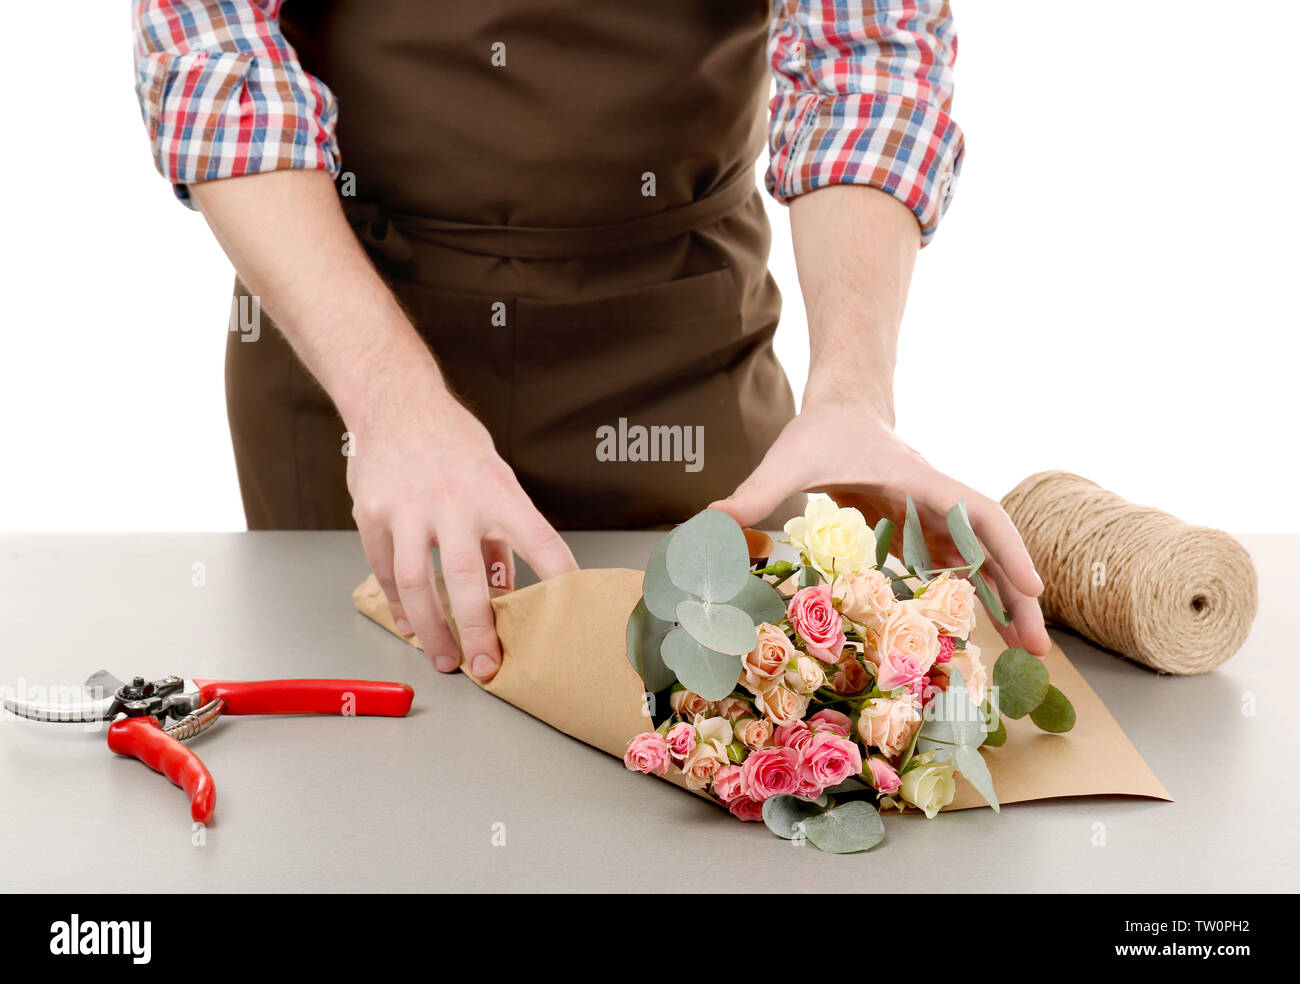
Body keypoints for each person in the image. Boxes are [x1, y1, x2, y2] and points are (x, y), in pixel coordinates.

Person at [132, 1, 1048, 683]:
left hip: (682, 350)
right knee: (362, 783)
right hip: (344, 345)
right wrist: (390, 400)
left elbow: (869, 65)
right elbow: (215, 61)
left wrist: (852, 396)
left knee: (703, 727)